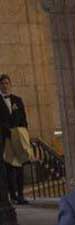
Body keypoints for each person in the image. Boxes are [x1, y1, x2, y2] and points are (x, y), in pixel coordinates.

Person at [0, 74, 29, 205]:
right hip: (5, 139)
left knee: (20, 167)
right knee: (9, 168)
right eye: (2, 83)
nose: (5, 85)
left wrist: (24, 135)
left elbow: (23, 119)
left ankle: (21, 195)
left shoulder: (17, 100)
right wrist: (8, 131)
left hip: (18, 138)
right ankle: (12, 196)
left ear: (10, 84)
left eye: (7, 83)